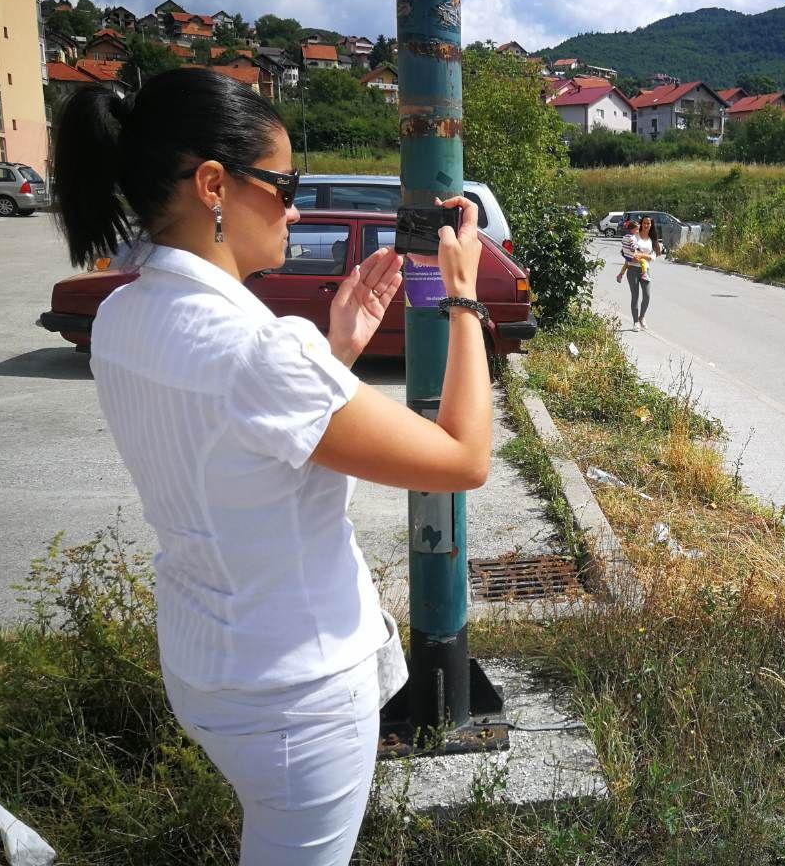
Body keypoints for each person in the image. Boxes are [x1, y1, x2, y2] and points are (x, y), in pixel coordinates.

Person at [52, 68, 491, 866]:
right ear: (214, 185)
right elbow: (463, 458)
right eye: (283, 184)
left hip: (209, 668)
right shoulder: (261, 351)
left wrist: (339, 349)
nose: (293, 204)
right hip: (299, 700)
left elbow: (238, 447)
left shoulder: (120, 314)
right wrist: (461, 299)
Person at [623, 215, 660, 331]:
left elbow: (653, 257)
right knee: (635, 296)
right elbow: (625, 251)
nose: (646, 225)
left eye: (648, 223)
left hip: (645, 270)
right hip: (632, 269)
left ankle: (642, 317)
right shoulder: (635, 236)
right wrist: (631, 257)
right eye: (644, 223)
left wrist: (641, 255)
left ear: (651, 225)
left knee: (647, 295)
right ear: (641, 223)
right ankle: (635, 323)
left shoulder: (652, 239)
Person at [614, 215, 647, 283]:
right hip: (632, 257)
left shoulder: (624, 237)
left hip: (627, 256)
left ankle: (620, 275)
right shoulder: (632, 238)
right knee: (643, 261)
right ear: (632, 230)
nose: (638, 231)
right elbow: (633, 247)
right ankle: (644, 274)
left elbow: (624, 244)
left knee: (626, 264)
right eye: (637, 229)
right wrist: (639, 249)